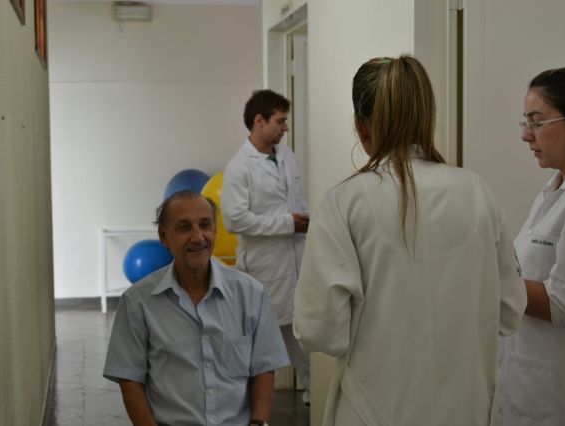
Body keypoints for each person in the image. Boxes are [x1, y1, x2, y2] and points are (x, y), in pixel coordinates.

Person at [292, 55, 527, 426]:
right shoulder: (478, 192)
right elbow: (510, 311)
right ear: (427, 118)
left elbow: (319, 330)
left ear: (361, 126)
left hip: (372, 411)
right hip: (464, 410)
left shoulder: (344, 202)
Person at [103, 190, 289, 426]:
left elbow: (264, 368)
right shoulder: (137, 302)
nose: (198, 237)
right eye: (184, 228)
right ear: (163, 236)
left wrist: (258, 423)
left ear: (215, 230)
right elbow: (130, 379)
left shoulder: (251, 294)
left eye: (205, 225)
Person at [500, 67, 565, 425]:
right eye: (525, 122)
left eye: (537, 122)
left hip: (556, 397)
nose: (525, 135)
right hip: (524, 384)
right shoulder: (551, 191)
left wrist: (491, 281)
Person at [221, 89, 311, 404]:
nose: (285, 127)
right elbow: (234, 220)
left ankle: (313, 391)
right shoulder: (239, 167)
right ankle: (242, 402)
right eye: (280, 121)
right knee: (258, 336)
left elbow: (295, 201)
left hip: (295, 258)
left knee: (300, 331)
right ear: (259, 121)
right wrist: (287, 224)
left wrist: (304, 223)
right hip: (264, 265)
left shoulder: (286, 156)